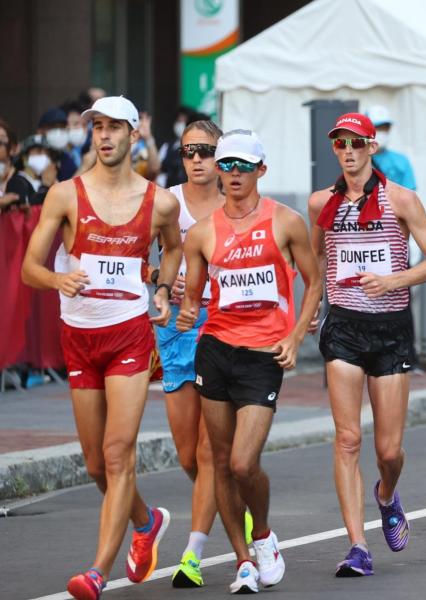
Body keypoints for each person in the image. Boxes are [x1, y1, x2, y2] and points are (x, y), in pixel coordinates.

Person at [21, 95, 182, 600]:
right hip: (79, 337)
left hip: (129, 334)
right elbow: (29, 267)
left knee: (118, 455)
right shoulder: (66, 195)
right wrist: (57, 279)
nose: (105, 136)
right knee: (96, 465)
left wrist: (160, 288)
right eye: (98, 128)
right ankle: (146, 520)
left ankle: (96, 571)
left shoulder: (160, 202)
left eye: (115, 127)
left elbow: (173, 248)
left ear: (134, 135)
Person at [177, 128, 322, 594]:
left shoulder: (287, 222)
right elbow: (193, 300)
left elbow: (313, 282)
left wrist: (297, 336)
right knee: (218, 462)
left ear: (261, 170)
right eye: (227, 164)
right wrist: (174, 301)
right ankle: (242, 561)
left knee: (243, 463)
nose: (234, 173)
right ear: (218, 170)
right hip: (216, 349)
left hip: (263, 354)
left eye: (243, 165)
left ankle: (262, 535)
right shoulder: (200, 234)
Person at [307, 112, 426, 577]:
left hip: (390, 328)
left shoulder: (401, 200)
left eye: (355, 143)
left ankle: (386, 494)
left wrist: (394, 280)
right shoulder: (319, 203)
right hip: (344, 326)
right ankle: (357, 545)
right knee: (348, 438)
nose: (347, 150)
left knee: (389, 451)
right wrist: (309, 308)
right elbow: (315, 261)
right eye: (339, 143)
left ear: (371, 147)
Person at [153, 119, 235, 588]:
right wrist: (163, 282)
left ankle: (193, 554)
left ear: (221, 155)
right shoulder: (168, 203)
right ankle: (235, 508)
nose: (198, 159)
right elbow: (141, 260)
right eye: (189, 152)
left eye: (206, 151)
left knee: (209, 450)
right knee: (188, 454)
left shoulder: (235, 203)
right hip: (176, 331)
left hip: (221, 326)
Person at [366, 105, 416, 190]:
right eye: (377, 128)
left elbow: (410, 194)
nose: (381, 133)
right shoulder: (357, 159)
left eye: (385, 128)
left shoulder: (401, 160)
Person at [6, 134, 57, 208]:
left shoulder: (52, 181)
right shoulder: (16, 182)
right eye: (38, 152)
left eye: (47, 153)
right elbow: (29, 211)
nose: (44, 156)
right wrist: (45, 186)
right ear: (25, 158)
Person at [157, 106, 196, 188]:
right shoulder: (167, 146)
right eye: (179, 121)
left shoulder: (197, 148)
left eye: (183, 121)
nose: (180, 124)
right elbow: (159, 169)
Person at [37, 107, 78, 181]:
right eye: (53, 127)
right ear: (40, 131)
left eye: (61, 128)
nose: (58, 132)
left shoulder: (66, 160)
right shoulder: (32, 158)